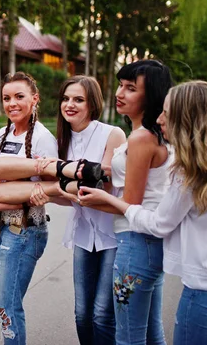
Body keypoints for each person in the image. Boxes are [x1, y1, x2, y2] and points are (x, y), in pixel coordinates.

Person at [79, 80, 207, 345]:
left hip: (206, 290)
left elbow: (159, 224)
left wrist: (116, 202)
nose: (159, 119)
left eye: (167, 113)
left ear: (187, 118)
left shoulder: (189, 170)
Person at [63, 60, 173, 345]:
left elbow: (130, 204)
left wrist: (90, 196)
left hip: (135, 243)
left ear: (151, 96)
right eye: (121, 85)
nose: (120, 93)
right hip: (149, 241)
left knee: (128, 334)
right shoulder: (150, 135)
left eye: (131, 88)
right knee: (150, 329)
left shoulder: (141, 139)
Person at [0, 72, 58, 344]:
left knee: (8, 305)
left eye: (19, 96)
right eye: (6, 98)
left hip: (27, 231)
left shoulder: (42, 138)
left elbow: (53, 187)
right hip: (3, 227)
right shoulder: (2, 134)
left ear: (35, 99)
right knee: (4, 304)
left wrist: (18, 199)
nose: (12, 103)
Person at [57, 76, 126, 345]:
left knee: (102, 314)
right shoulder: (61, 140)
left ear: (92, 103)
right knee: (82, 314)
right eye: (65, 98)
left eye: (78, 99)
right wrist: (66, 187)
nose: (69, 105)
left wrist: (61, 182)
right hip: (84, 235)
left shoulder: (113, 134)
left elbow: (102, 187)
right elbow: (70, 194)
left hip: (113, 235)